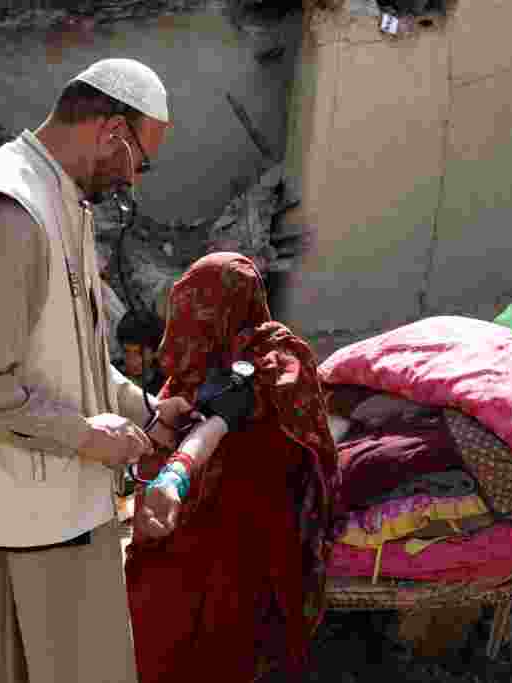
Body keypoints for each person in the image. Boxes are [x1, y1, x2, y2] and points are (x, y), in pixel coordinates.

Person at [0, 58, 193, 683]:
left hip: (46, 506)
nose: (135, 183)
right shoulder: (14, 215)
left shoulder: (60, 200)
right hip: (20, 525)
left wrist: (143, 409)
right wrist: (92, 438)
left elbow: (73, 355)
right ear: (113, 131)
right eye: (141, 162)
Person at [125, 252, 339, 682]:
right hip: (179, 527)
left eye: (200, 312)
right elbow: (166, 430)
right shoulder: (193, 367)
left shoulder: (276, 362)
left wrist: (174, 475)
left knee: (225, 643)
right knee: (153, 624)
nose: (187, 325)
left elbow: (220, 423)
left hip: (248, 535)